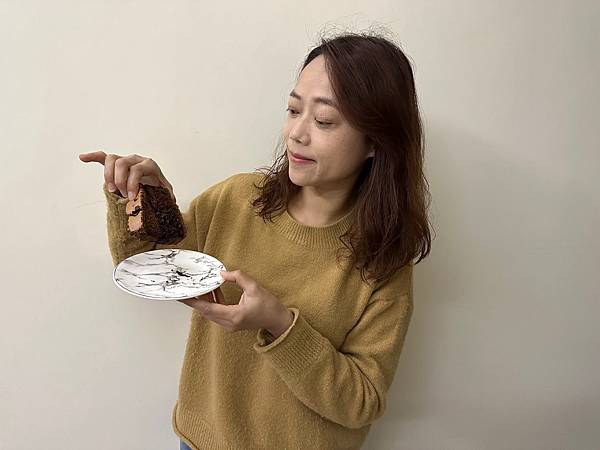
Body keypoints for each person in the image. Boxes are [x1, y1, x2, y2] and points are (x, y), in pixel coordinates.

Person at [79, 29, 432, 450]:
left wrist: (280, 324)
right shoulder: (237, 199)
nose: (297, 133)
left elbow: (362, 402)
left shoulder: (384, 260)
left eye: (324, 120)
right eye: (293, 109)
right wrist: (143, 199)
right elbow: (146, 266)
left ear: (375, 141)